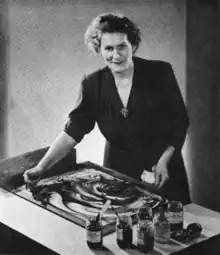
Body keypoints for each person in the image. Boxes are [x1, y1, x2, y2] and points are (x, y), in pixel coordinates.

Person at [23, 12, 191, 205]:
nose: (116, 55)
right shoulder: (92, 84)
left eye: (122, 47)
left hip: (164, 168)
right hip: (118, 173)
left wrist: (164, 161)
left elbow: (180, 120)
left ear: (133, 46)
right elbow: (73, 131)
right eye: (108, 48)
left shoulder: (160, 73)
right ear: (99, 50)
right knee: (121, 230)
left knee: (172, 227)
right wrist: (41, 167)